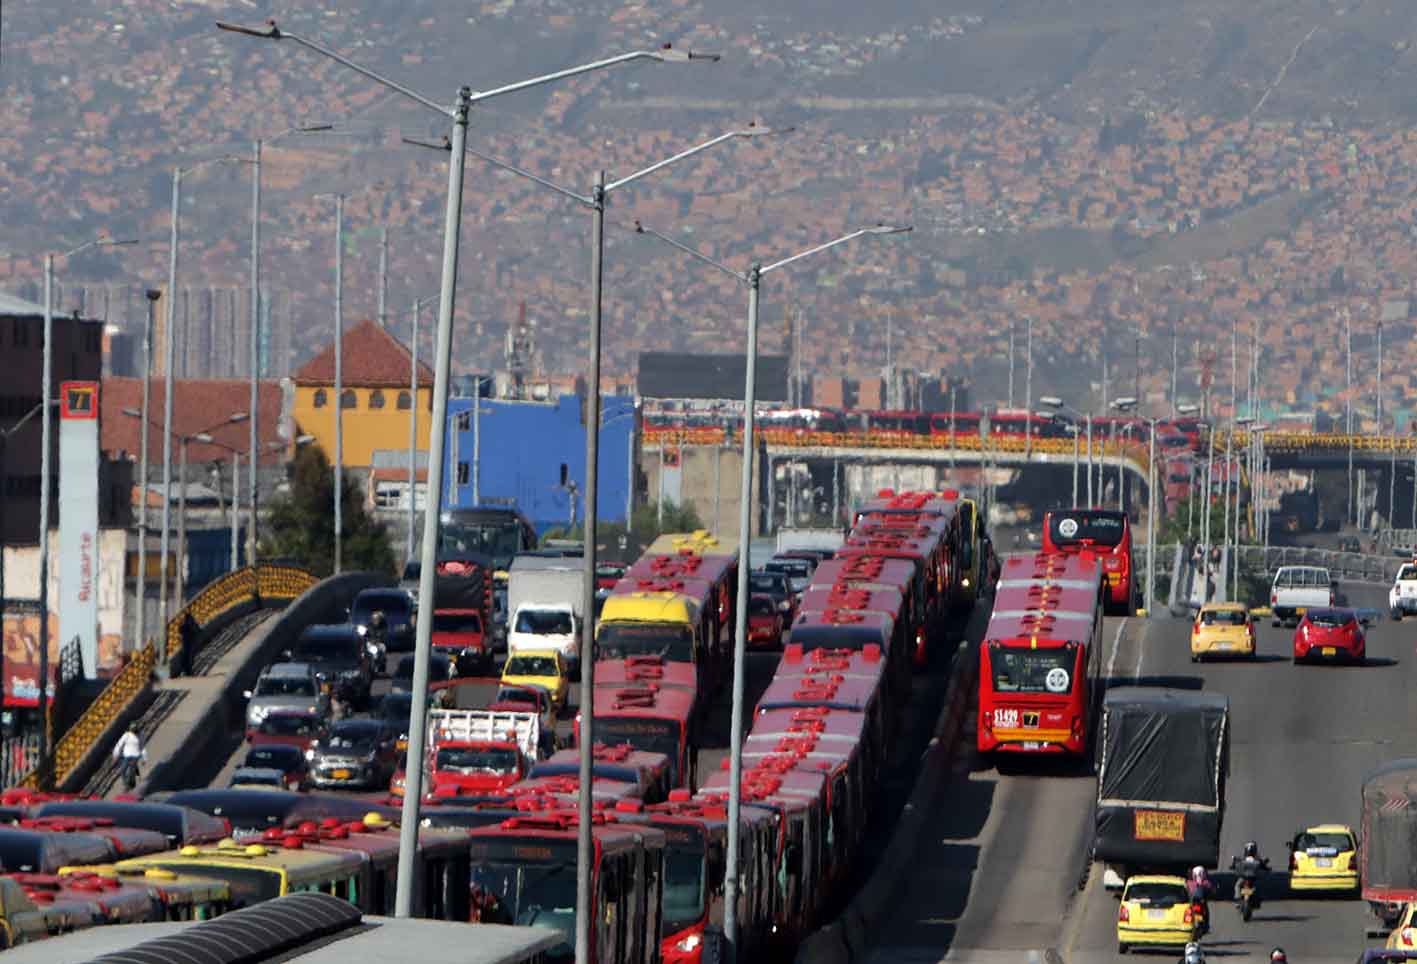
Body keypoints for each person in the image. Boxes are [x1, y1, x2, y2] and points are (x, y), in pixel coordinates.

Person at [113, 724, 146, 791]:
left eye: (135, 730)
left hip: (135, 755)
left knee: (131, 770)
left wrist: (144, 758)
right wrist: (115, 754)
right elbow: (119, 744)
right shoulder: (127, 735)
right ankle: (126, 783)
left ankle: (128, 786)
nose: (133, 732)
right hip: (127, 755)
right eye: (132, 730)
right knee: (123, 770)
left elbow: (142, 747)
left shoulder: (141, 735)